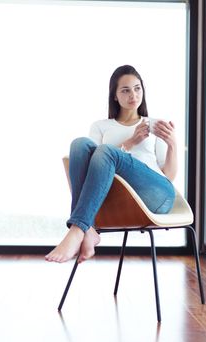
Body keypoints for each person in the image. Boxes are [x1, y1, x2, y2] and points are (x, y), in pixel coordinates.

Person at [45, 65, 177, 264]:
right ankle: (86, 229)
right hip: (116, 198)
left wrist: (172, 143)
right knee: (79, 144)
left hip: (156, 194)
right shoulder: (100, 126)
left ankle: (78, 229)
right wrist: (130, 142)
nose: (133, 94)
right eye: (125, 90)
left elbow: (168, 175)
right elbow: (91, 171)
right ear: (115, 96)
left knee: (105, 150)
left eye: (137, 88)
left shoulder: (154, 124)